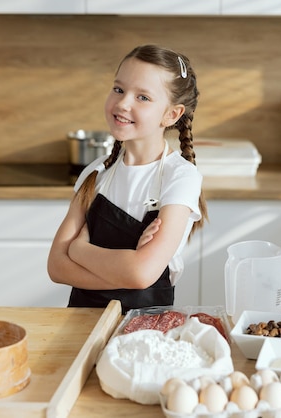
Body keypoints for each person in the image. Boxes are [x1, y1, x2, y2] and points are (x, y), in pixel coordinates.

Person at [47, 44, 207, 313]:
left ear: (172, 114)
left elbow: (142, 274)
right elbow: (56, 267)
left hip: (142, 333)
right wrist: (126, 268)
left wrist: (79, 251)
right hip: (79, 326)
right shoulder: (96, 174)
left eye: (143, 97)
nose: (122, 103)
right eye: (119, 90)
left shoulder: (181, 178)